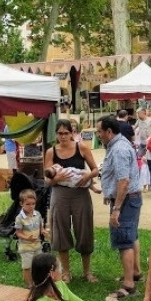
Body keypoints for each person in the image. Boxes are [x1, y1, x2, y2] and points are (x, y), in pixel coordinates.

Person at [44, 119, 100, 283]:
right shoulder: (51, 152)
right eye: (60, 133)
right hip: (59, 194)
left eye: (66, 133)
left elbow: (95, 169)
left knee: (84, 230)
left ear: (72, 133)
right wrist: (56, 178)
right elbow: (46, 180)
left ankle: (87, 271)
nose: (63, 136)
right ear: (56, 134)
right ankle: (66, 272)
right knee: (60, 230)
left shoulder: (81, 147)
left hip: (80, 194)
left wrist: (87, 176)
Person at [97, 115, 143, 298]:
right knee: (131, 236)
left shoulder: (118, 150)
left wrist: (116, 209)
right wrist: (109, 193)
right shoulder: (118, 144)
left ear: (109, 132)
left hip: (125, 201)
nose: (98, 135)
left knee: (124, 241)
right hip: (128, 199)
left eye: (100, 131)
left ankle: (129, 285)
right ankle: (135, 273)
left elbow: (124, 181)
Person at [15, 189, 50, 287]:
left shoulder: (37, 214)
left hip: (37, 246)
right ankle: (29, 285)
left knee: (38, 265)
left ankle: (38, 282)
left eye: (33, 204)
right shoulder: (19, 218)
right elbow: (18, 233)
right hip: (26, 248)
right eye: (28, 204)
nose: (31, 206)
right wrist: (27, 238)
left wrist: (43, 231)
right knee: (27, 267)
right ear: (21, 204)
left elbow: (40, 226)